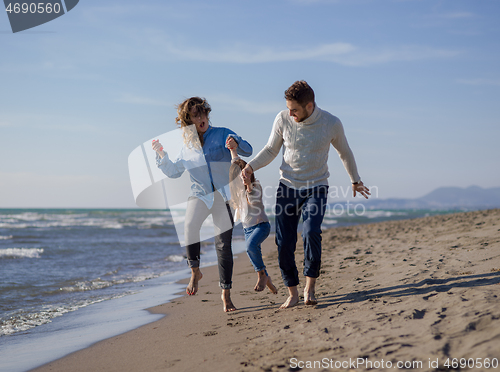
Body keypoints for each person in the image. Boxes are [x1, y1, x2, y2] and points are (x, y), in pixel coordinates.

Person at [242, 81, 370, 309]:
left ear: (309, 106)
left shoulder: (331, 123)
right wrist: (251, 167)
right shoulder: (282, 119)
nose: (290, 114)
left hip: (316, 187)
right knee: (284, 242)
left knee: (311, 232)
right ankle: (292, 292)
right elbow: (271, 149)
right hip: (287, 187)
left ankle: (310, 287)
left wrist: (355, 179)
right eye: (288, 109)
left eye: (294, 110)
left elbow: (344, 151)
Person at [152, 97, 252, 312]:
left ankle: (226, 295)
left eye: (203, 113)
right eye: (195, 116)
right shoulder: (186, 146)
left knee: (223, 246)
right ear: (189, 121)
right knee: (189, 227)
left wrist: (236, 142)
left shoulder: (223, 133)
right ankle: (195, 271)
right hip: (200, 194)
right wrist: (161, 155)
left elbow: (248, 150)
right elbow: (174, 172)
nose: (201, 119)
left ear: (207, 113)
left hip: (224, 195)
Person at [227, 142, 277, 294]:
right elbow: (235, 163)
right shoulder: (236, 191)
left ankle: (261, 274)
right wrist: (233, 150)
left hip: (261, 226)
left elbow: (254, 200)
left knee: (250, 247)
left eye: (246, 174)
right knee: (253, 253)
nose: (243, 177)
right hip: (247, 229)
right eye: (240, 176)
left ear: (250, 173)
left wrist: (248, 185)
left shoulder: (255, 187)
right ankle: (267, 279)